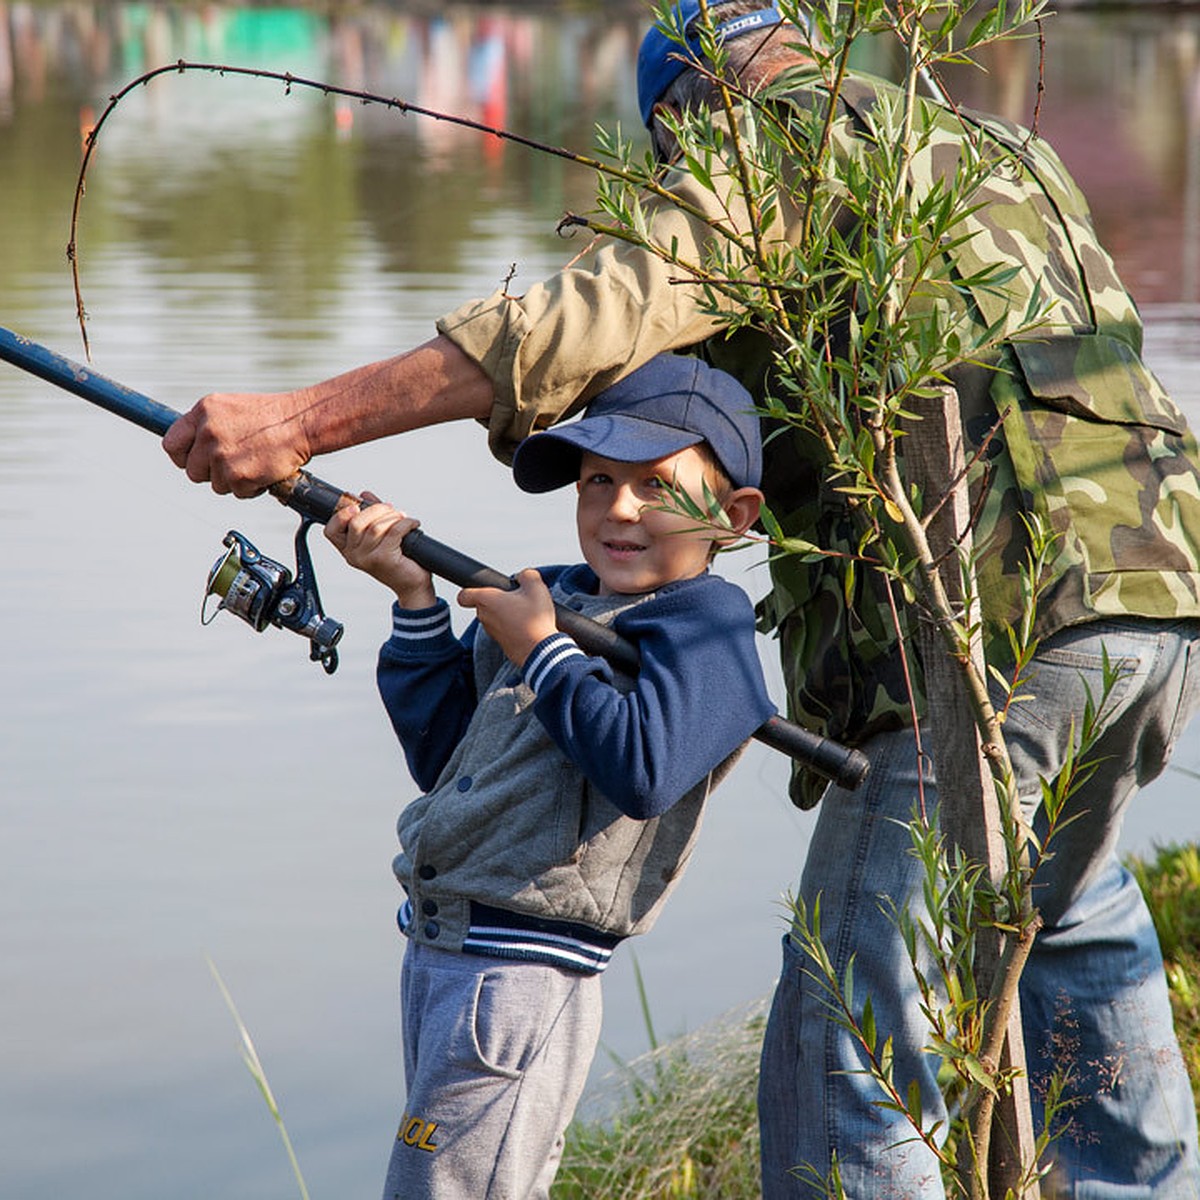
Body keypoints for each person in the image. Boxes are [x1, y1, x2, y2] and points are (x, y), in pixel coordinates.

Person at [162, 3, 1200, 1195]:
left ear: (686, 121)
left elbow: (578, 321)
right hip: (1153, 599)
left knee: (847, 1057)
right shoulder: (1005, 148)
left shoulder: (779, 149)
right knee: (1069, 930)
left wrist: (297, 422)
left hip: (988, 638)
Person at [322, 351, 774, 1199]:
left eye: (655, 485)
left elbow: (644, 767)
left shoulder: (709, 626)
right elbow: (446, 758)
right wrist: (415, 600)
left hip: (522, 977)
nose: (619, 508)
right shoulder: (553, 595)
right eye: (597, 481)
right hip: (442, 946)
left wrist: (545, 650)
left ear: (736, 512)